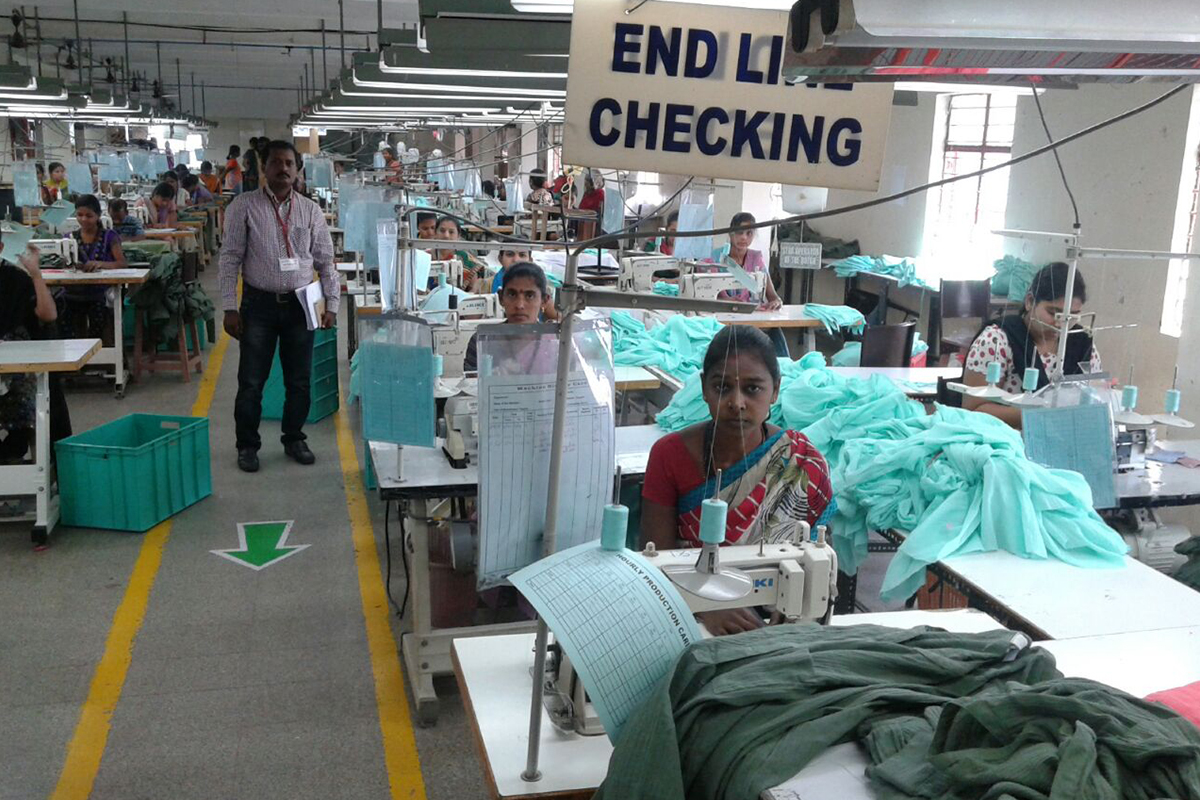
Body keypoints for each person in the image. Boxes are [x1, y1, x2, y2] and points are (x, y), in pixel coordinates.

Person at [640, 325, 835, 635]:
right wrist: (705, 605)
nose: (737, 402)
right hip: (689, 616)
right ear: (704, 388)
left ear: (775, 390)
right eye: (722, 387)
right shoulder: (669, 456)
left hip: (774, 627)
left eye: (753, 388)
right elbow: (656, 564)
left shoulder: (801, 462)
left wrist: (794, 611)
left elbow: (818, 574)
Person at [219, 140, 338, 473]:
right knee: (251, 382)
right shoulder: (243, 206)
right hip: (258, 305)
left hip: (302, 305)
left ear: (297, 169)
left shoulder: (310, 210)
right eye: (275, 162)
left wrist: (332, 304)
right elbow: (229, 258)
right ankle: (247, 445)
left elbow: (326, 261)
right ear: (263, 167)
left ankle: (294, 437)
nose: (283, 168)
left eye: (289, 163)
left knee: (299, 381)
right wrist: (229, 307)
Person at [964, 262, 1101, 429]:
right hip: (1005, 440)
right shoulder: (996, 340)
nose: (1061, 324)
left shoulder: (1083, 343)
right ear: (1030, 301)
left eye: (1073, 316)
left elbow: (1094, 399)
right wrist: (1041, 415)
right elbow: (973, 411)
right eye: (1053, 313)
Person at [0, 239, 69, 469]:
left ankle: (14, 447)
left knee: (25, 395)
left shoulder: (15, 280)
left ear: (1, 248)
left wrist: (36, 274)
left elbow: (48, 315)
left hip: (16, 371)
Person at [711, 211, 787, 356]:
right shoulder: (716, 257)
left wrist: (776, 302)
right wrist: (726, 301)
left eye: (749, 233)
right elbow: (711, 297)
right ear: (731, 233)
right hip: (724, 321)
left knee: (774, 333)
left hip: (752, 320)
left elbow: (772, 296)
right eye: (739, 232)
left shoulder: (756, 258)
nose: (744, 237)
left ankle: (781, 365)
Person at [463, 262, 556, 373]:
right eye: (512, 294)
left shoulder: (555, 344)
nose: (519, 305)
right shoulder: (483, 341)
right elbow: (472, 381)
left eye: (530, 296)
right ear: (501, 298)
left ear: (544, 301)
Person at [434, 216, 487, 290]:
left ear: (458, 236)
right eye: (442, 231)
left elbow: (473, 291)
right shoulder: (425, 257)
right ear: (435, 233)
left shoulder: (466, 260)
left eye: (451, 232)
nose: (446, 235)